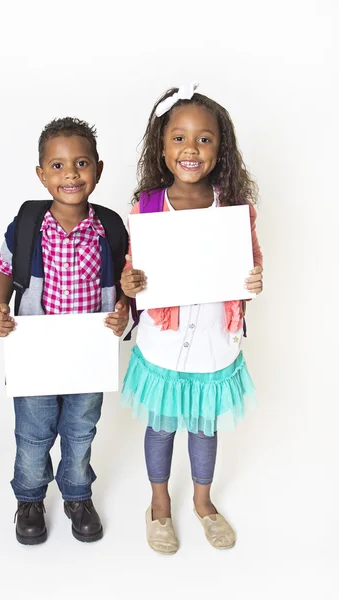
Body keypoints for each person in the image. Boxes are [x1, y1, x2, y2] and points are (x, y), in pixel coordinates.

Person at [121, 83, 263, 554]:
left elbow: (249, 269)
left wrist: (254, 280)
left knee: (205, 428)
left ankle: (203, 503)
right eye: (179, 137)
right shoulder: (146, 207)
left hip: (211, 346)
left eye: (204, 138)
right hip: (163, 345)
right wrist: (131, 284)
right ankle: (159, 504)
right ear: (162, 148)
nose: (191, 148)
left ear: (219, 149)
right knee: (160, 427)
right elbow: (132, 269)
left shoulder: (234, 210)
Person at [0, 117, 129, 545]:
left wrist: (124, 311)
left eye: (81, 163)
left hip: (88, 355)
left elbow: (128, 284)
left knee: (81, 429)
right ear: (41, 174)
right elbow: (3, 268)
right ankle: (30, 498)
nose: (70, 173)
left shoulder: (110, 229)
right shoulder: (29, 224)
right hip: (36, 352)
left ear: (98, 170)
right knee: (33, 432)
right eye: (57, 165)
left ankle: (76, 495)